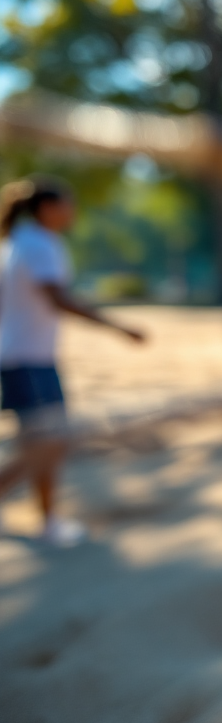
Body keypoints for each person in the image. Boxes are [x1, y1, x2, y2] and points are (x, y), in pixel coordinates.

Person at [0, 177, 145, 547]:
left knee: (46, 441)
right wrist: (117, 326)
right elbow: (58, 298)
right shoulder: (39, 244)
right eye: (68, 204)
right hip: (29, 360)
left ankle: (47, 518)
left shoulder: (21, 242)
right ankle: (47, 522)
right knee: (49, 441)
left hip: (25, 357)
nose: (73, 211)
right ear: (48, 208)